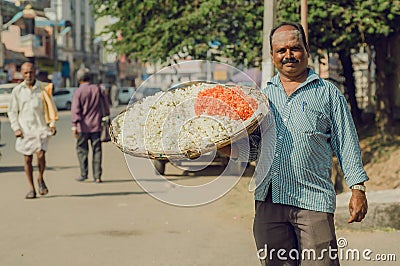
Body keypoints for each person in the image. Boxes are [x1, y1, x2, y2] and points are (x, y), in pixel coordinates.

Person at [222, 22, 369, 265]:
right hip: (269, 201)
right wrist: (219, 148)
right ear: (272, 55)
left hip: (312, 201)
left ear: (306, 50)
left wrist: (358, 189)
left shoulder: (328, 93)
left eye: (295, 48)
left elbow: (347, 142)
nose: (288, 55)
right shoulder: (262, 96)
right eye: (281, 51)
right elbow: (256, 148)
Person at [8, 62, 58, 199]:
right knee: (27, 159)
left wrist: (52, 124)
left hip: (41, 128)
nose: (28, 75)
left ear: (35, 72)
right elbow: (12, 112)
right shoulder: (17, 91)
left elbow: (51, 108)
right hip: (25, 130)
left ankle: (40, 178)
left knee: (41, 155)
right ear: (22, 74)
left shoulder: (43, 89)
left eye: (30, 72)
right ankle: (32, 189)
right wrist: (16, 128)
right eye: (26, 73)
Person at [71, 68, 110, 183]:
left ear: (78, 79)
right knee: (97, 150)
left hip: (82, 127)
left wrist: (74, 125)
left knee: (82, 150)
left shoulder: (78, 92)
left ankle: (84, 173)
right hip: (97, 126)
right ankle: (97, 176)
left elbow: (75, 110)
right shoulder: (98, 89)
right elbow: (106, 106)